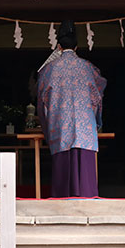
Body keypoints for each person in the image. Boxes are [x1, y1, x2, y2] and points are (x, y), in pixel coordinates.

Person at [37, 20, 107, 198]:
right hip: (85, 128)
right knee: (86, 183)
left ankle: (61, 204)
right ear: (76, 47)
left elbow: (42, 102)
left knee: (62, 174)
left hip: (60, 127)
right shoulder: (89, 68)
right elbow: (98, 97)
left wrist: (47, 129)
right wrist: (96, 121)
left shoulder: (48, 70)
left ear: (59, 47)